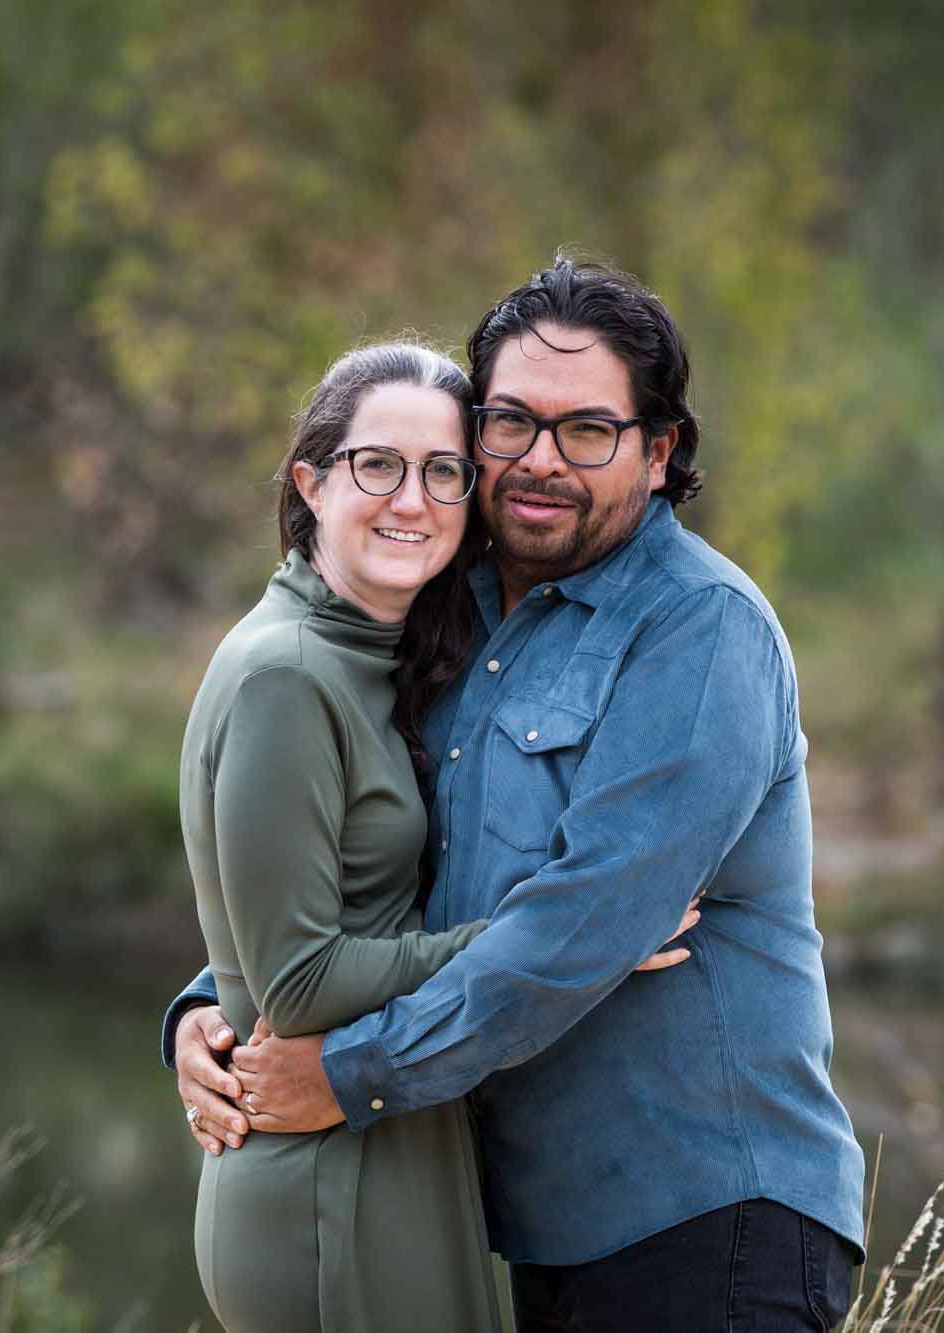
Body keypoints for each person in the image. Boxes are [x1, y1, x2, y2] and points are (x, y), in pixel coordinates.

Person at [168, 261, 868, 1332]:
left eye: (585, 429)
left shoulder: (699, 633)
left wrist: (342, 1073)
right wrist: (214, 1009)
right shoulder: (455, 615)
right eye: (510, 424)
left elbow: (572, 933)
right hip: (534, 1220)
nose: (540, 461)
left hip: (704, 1218)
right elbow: (369, 878)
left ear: (658, 450)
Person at [172, 340, 696, 1333]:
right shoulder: (286, 674)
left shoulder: (386, 659)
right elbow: (292, 983)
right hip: (329, 1177)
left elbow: (305, 911)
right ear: (311, 481)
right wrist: (568, 931)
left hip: (388, 1146)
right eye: (376, 464)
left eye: (443, 471)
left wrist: (197, 1008)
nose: (409, 499)